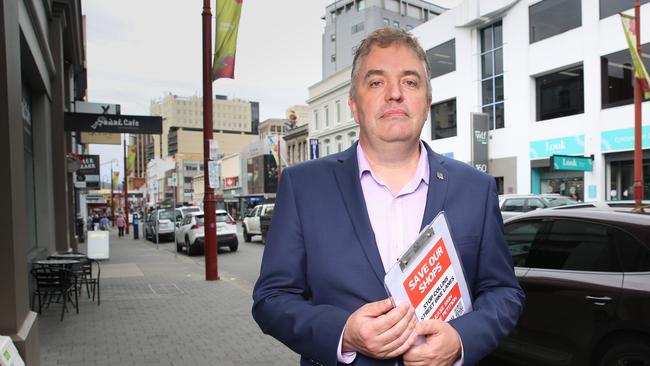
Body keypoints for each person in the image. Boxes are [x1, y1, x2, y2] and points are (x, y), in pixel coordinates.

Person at [252, 28, 524, 366]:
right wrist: (343, 332)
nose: (395, 93)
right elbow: (271, 299)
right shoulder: (303, 186)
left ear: (427, 103)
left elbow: (504, 292)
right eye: (376, 82)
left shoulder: (476, 189)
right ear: (354, 105)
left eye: (410, 82)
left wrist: (460, 340)